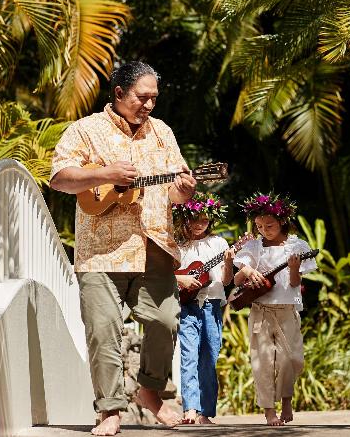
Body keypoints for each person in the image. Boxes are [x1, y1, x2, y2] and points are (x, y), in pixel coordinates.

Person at [49, 61, 195, 436]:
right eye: (142, 97)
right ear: (118, 93)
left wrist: (184, 190)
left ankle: (149, 391)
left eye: (154, 99)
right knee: (103, 329)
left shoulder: (162, 132)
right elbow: (60, 178)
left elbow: (177, 191)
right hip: (101, 251)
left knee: (165, 321)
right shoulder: (85, 130)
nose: (148, 105)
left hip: (155, 245)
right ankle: (110, 410)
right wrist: (105, 174)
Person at [233, 193, 316, 426]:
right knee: (263, 361)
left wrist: (294, 269)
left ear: (282, 221)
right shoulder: (253, 246)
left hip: (288, 309)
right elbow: (239, 278)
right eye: (259, 226)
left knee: (290, 359)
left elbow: (294, 284)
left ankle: (286, 399)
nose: (264, 230)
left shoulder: (297, 246)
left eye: (269, 225)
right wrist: (249, 271)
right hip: (261, 311)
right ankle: (269, 410)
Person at [173, 193, 234, 425]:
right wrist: (183, 279)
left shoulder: (218, 244)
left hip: (212, 304)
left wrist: (228, 262)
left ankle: (205, 413)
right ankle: (190, 408)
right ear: (185, 217)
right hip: (187, 305)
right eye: (195, 218)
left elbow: (226, 281)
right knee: (189, 355)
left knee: (209, 358)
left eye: (205, 220)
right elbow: (168, 273)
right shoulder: (177, 245)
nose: (199, 224)